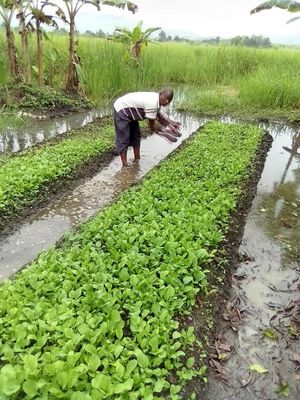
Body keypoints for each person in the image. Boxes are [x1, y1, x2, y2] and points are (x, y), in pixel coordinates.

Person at [113, 88, 181, 167]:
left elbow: (158, 115)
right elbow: (152, 125)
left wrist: (172, 123)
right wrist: (163, 132)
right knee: (124, 137)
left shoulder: (157, 100)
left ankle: (137, 159)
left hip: (130, 111)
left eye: (169, 100)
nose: (166, 102)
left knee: (136, 135)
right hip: (121, 108)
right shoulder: (152, 103)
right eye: (165, 98)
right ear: (161, 94)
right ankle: (124, 166)